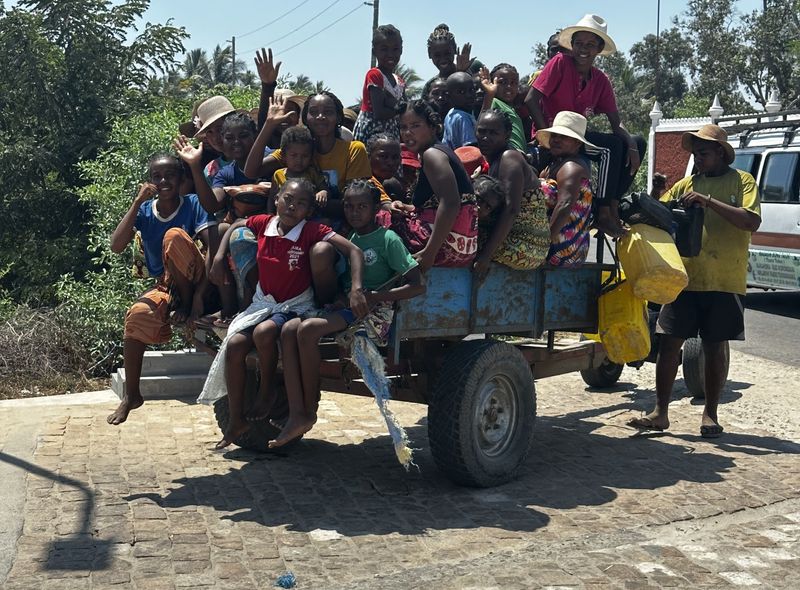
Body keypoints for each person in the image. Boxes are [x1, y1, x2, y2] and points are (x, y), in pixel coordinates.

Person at [203, 178, 368, 449]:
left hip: (295, 305)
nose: (293, 206)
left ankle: (267, 391)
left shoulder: (311, 230)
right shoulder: (264, 223)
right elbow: (234, 225)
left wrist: (357, 287)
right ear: (277, 198)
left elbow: (354, 250)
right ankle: (236, 420)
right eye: (288, 199)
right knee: (233, 346)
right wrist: (219, 257)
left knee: (265, 332)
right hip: (263, 304)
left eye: (301, 203)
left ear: (309, 211)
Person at [628, 125, 761, 438]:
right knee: (669, 343)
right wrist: (656, 195)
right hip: (684, 278)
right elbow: (655, 217)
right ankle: (660, 412)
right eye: (695, 154)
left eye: (703, 153)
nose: (698, 159)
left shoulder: (742, 181)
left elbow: (751, 220)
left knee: (714, 347)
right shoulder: (687, 185)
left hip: (725, 279)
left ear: (720, 153)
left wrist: (708, 201)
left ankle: (710, 415)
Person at [273, 179, 425, 447]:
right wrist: (341, 300)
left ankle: (309, 410)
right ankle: (297, 410)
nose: (355, 212)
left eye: (362, 207)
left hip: (374, 314)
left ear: (377, 208)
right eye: (350, 207)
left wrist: (377, 296)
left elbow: (417, 284)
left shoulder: (387, 239)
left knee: (307, 330)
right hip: (349, 308)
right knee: (288, 331)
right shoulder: (350, 237)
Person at [107, 154, 218, 425]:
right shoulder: (145, 211)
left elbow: (211, 250)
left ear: (181, 180)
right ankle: (132, 395)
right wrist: (136, 202)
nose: (163, 181)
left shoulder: (193, 204)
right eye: (157, 176)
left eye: (170, 175)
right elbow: (116, 245)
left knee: (174, 237)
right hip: (166, 285)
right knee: (135, 316)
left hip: (198, 279)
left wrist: (197, 299)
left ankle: (183, 305)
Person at [525, 14, 646, 237]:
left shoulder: (600, 79)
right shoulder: (560, 63)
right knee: (611, 148)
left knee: (637, 142)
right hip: (555, 134)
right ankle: (603, 212)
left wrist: (631, 145)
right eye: (579, 43)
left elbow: (615, 121)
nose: (584, 49)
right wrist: (546, 136)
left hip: (576, 137)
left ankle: (612, 205)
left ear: (599, 49)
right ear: (571, 45)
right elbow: (531, 99)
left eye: (590, 45)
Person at [246, 91, 373, 305]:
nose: (321, 117)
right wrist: (269, 125)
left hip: (337, 228)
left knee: (320, 251)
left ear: (339, 118)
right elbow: (252, 171)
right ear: (305, 118)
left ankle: (325, 305)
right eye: (314, 112)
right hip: (296, 224)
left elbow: (354, 205)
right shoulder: (300, 147)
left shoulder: (353, 149)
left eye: (328, 112)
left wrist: (312, 204)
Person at [387, 100, 478, 270]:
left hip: (446, 249)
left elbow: (451, 204)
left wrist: (429, 253)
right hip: (463, 248)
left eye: (415, 126)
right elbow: (435, 206)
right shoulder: (438, 151)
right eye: (403, 127)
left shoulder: (432, 155)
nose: (408, 133)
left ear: (432, 127)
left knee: (379, 221)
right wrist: (405, 207)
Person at [473, 110, 549, 277]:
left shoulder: (509, 158)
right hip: (513, 239)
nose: (485, 137)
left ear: (506, 135)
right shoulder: (493, 160)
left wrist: (485, 256)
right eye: (482, 131)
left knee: (458, 243)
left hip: (526, 246)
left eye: (493, 133)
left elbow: (511, 210)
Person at [535, 111, 595, 267]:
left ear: (577, 143)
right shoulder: (552, 167)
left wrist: (541, 248)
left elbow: (564, 206)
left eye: (563, 137)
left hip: (564, 248)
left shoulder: (571, 167)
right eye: (554, 136)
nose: (556, 140)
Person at [353, 24, 406, 144]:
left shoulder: (400, 81)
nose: (390, 54)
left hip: (391, 132)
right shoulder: (374, 75)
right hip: (371, 130)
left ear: (401, 50)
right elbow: (379, 113)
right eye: (384, 49)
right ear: (374, 51)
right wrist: (399, 109)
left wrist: (397, 106)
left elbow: (405, 109)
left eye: (395, 49)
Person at [421, 23, 483, 100]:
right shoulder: (431, 86)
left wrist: (462, 72)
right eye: (437, 55)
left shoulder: (474, 67)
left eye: (447, 53)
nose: (443, 59)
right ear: (430, 54)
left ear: (455, 50)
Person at [478, 63, 528, 153]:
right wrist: (489, 95)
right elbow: (482, 122)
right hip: (506, 156)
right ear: (492, 83)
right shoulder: (494, 102)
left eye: (513, 83)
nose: (509, 87)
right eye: (502, 82)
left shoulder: (513, 108)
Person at [365, 133, 404, 206]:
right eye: (383, 156)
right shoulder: (359, 186)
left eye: (395, 157)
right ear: (368, 156)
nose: (390, 163)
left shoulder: (394, 186)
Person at [443, 71, 477, 150]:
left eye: (471, 90)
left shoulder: (451, 113)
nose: (468, 95)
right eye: (461, 92)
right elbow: (470, 148)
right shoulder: (462, 117)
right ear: (449, 96)